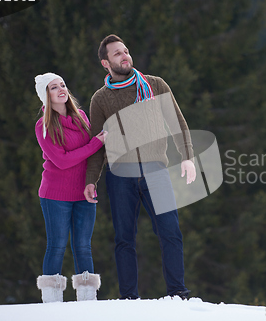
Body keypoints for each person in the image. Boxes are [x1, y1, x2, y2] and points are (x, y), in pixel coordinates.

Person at [84, 34, 196, 300]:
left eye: (125, 51)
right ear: (105, 63)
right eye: (117, 54)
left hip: (156, 170)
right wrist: (91, 180)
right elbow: (96, 145)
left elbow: (177, 122)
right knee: (124, 238)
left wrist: (188, 156)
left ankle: (177, 292)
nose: (124, 56)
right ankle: (128, 298)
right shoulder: (100, 100)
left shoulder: (155, 85)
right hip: (120, 175)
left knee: (170, 231)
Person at [34, 73, 107, 303]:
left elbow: (91, 156)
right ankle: (52, 301)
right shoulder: (43, 126)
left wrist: (91, 181)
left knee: (83, 246)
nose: (61, 89)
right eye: (54, 87)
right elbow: (62, 160)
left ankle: (87, 299)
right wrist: (96, 142)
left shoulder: (82, 117)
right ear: (46, 96)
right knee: (56, 245)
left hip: (84, 192)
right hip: (56, 195)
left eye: (62, 85)